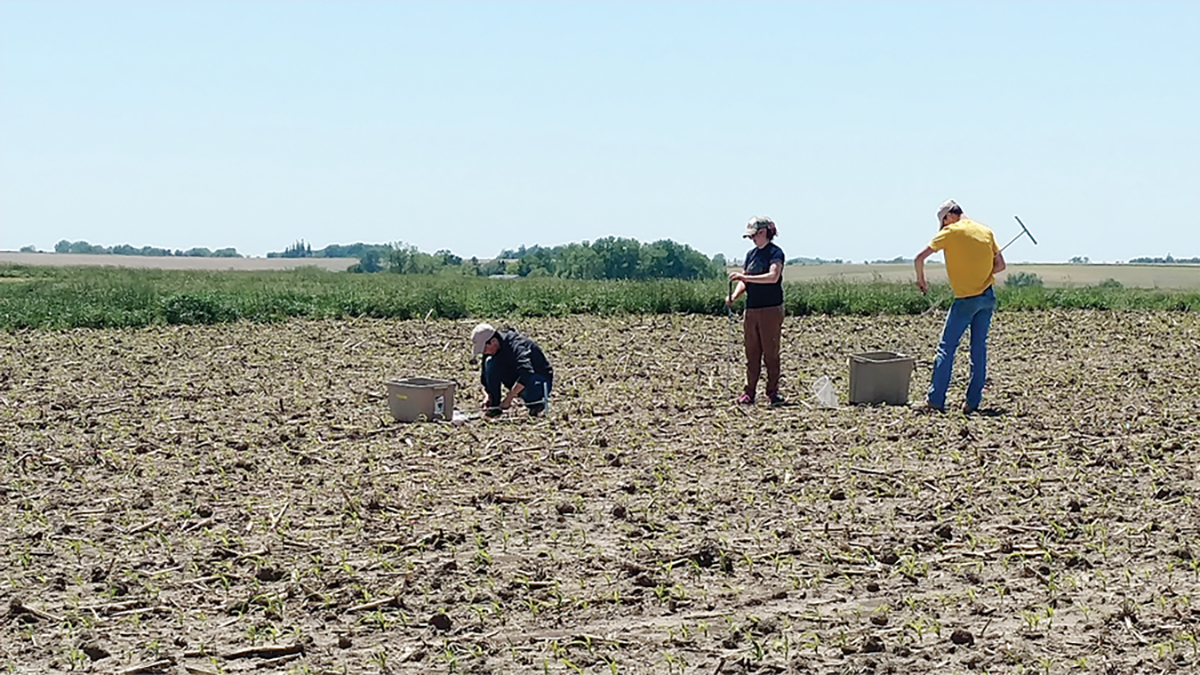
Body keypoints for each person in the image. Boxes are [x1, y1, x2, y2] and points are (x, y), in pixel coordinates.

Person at [913, 199, 1006, 413]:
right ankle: (972, 403)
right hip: (987, 297)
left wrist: (921, 280)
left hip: (965, 299)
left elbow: (919, 258)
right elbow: (1000, 265)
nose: (944, 227)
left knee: (946, 348)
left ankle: (935, 400)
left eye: (944, 223)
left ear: (949, 217)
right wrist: (980, 272)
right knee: (978, 350)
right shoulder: (986, 231)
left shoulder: (951, 232)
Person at [725, 216, 786, 406]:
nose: (752, 239)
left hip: (771, 309)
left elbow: (772, 277)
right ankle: (748, 392)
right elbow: (745, 281)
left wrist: (745, 277)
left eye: (754, 235)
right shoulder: (751, 255)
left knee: (770, 353)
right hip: (751, 309)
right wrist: (734, 296)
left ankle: (772, 392)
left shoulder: (775, 253)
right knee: (751, 353)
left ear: (763, 232)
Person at [470, 323, 554, 417]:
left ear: (493, 341)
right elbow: (485, 377)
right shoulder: (491, 350)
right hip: (516, 376)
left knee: (529, 385)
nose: (484, 352)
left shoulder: (517, 345)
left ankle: (536, 404)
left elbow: (526, 373)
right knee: (490, 362)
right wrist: (488, 396)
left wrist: (508, 399)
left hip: (539, 380)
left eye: (484, 349)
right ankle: (494, 406)